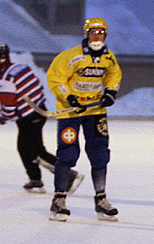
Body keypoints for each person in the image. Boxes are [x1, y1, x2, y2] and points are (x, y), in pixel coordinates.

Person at [46, 17, 121, 222]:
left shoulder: (109, 58)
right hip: (71, 113)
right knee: (68, 153)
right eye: (93, 32)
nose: (97, 36)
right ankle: (59, 199)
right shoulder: (71, 56)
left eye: (101, 32)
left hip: (95, 112)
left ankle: (101, 200)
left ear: (105, 35)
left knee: (100, 154)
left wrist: (111, 92)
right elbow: (55, 77)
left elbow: (114, 75)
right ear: (87, 34)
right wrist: (69, 98)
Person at [0, 43, 83, 194]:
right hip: (38, 111)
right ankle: (36, 180)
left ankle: (68, 174)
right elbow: (39, 86)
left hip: (28, 118)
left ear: (2, 58)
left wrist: (2, 118)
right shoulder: (21, 68)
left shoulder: (5, 79)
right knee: (26, 149)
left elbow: (9, 107)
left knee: (34, 151)